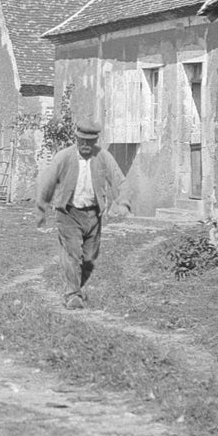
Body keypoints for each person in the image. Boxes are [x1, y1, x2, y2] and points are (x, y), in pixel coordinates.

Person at [34, 118, 132, 309]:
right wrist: (41, 208)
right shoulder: (64, 157)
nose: (86, 145)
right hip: (68, 213)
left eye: (91, 141)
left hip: (93, 216)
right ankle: (72, 294)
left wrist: (123, 202)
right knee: (72, 254)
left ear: (96, 140)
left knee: (89, 257)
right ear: (76, 138)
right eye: (83, 141)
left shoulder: (103, 156)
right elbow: (47, 182)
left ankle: (79, 286)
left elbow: (120, 181)